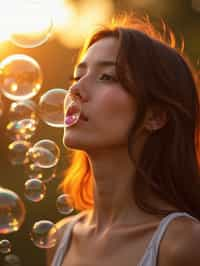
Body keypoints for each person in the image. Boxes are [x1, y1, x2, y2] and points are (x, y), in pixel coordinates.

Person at [47, 13, 200, 266]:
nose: (75, 89)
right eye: (77, 76)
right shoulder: (62, 237)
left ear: (155, 116)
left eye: (107, 77)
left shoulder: (183, 244)